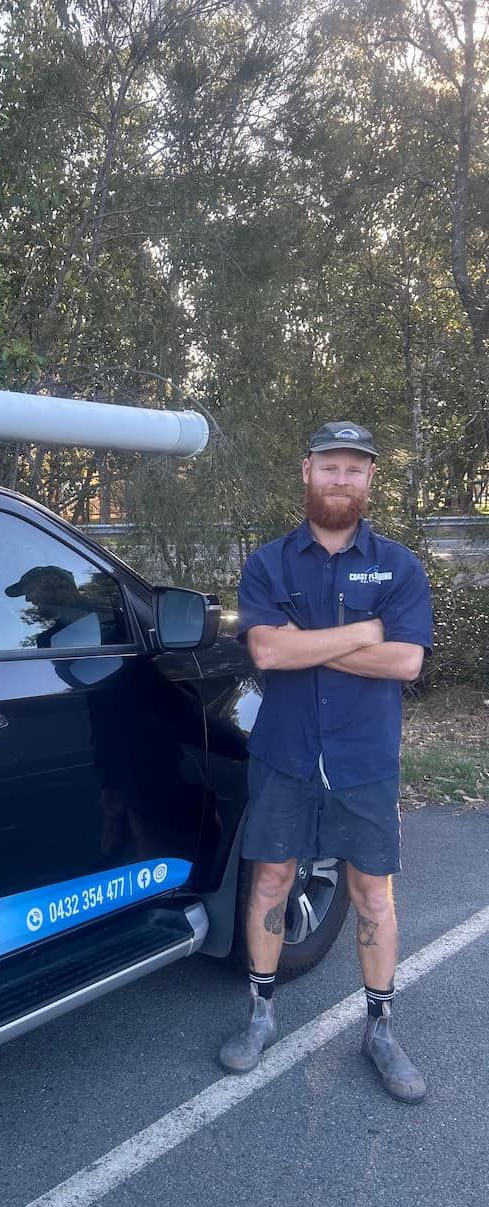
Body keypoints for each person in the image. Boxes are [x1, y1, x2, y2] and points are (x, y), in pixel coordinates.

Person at [219, 421, 433, 1102]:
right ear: (306, 470)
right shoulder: (269, 563)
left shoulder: (399, 566)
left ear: (371, 480)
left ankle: (381, 1029)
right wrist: (359, 633)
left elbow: (404, 661)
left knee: (373, 892)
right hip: (285, 755)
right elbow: (266, 654)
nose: (343, 480)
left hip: (364, 760)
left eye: (356, 470)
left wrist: (304, 642)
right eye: (331, 467)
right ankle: (260, 1013)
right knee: (273, 879)